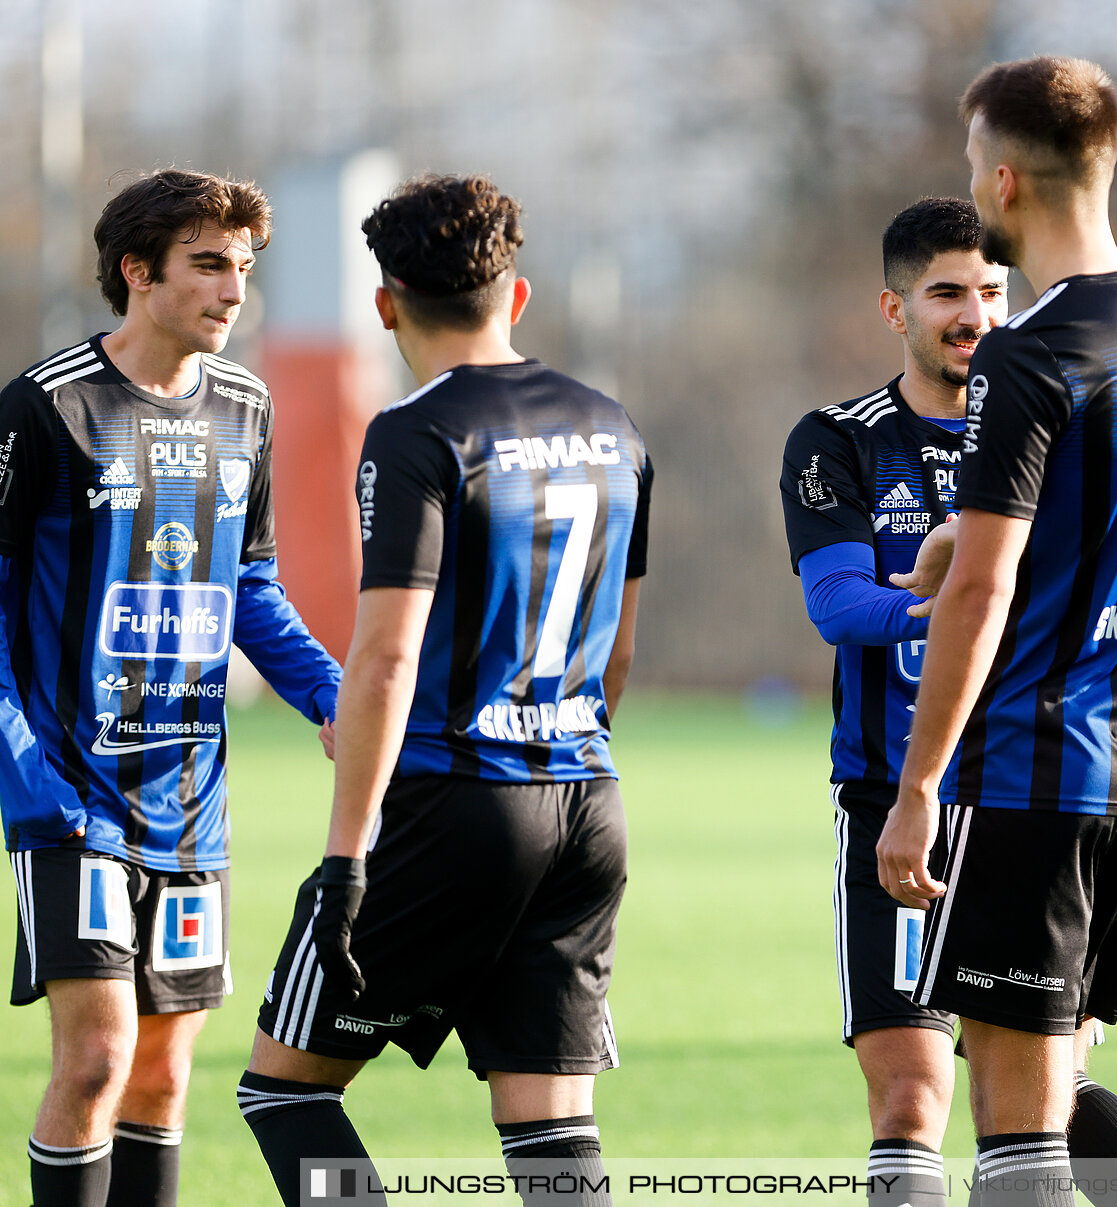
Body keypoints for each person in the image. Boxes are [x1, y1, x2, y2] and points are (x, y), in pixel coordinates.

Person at [237, 175, 650, 1207]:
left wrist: (344, 857)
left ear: (386, 304)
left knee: (284, 1092)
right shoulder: (613, 426)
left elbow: (382, 659)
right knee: (551, 1125)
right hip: (588, 802)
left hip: (456, 804)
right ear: (516, 295)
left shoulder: (417, 431)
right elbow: (619, 656)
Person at [782, 197, 1117, 1207]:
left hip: (1028, 789)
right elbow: (837, 606)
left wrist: (982, 594)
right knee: (912, 1093)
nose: (975, 313)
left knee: (1050, 1091)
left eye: (993, 291)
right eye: (948, 293)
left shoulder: (1058, 403)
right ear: (895, 307)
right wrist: (961, 604)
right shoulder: (839, 440)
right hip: (894, 797)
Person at [876, 59, 1117, 1207]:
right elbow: (1077, 524)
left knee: (1015, 1138)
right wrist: (955, 546)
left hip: (1036, 771)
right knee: (1052, 1079)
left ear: (1006, 179)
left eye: (976, 171)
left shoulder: (1030, 351)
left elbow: (981, 591)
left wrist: (920, 780)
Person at [0, 169, 342, 1207]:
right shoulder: (48, 405)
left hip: (191, 800)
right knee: (98, 1057)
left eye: (243, 267)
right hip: (71, 795)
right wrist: (27, 783)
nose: (234, 290)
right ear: (137, 272)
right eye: (208, 265)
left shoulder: (245, 406)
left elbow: (251, 588)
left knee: (161, 1074)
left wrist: (335, 700)